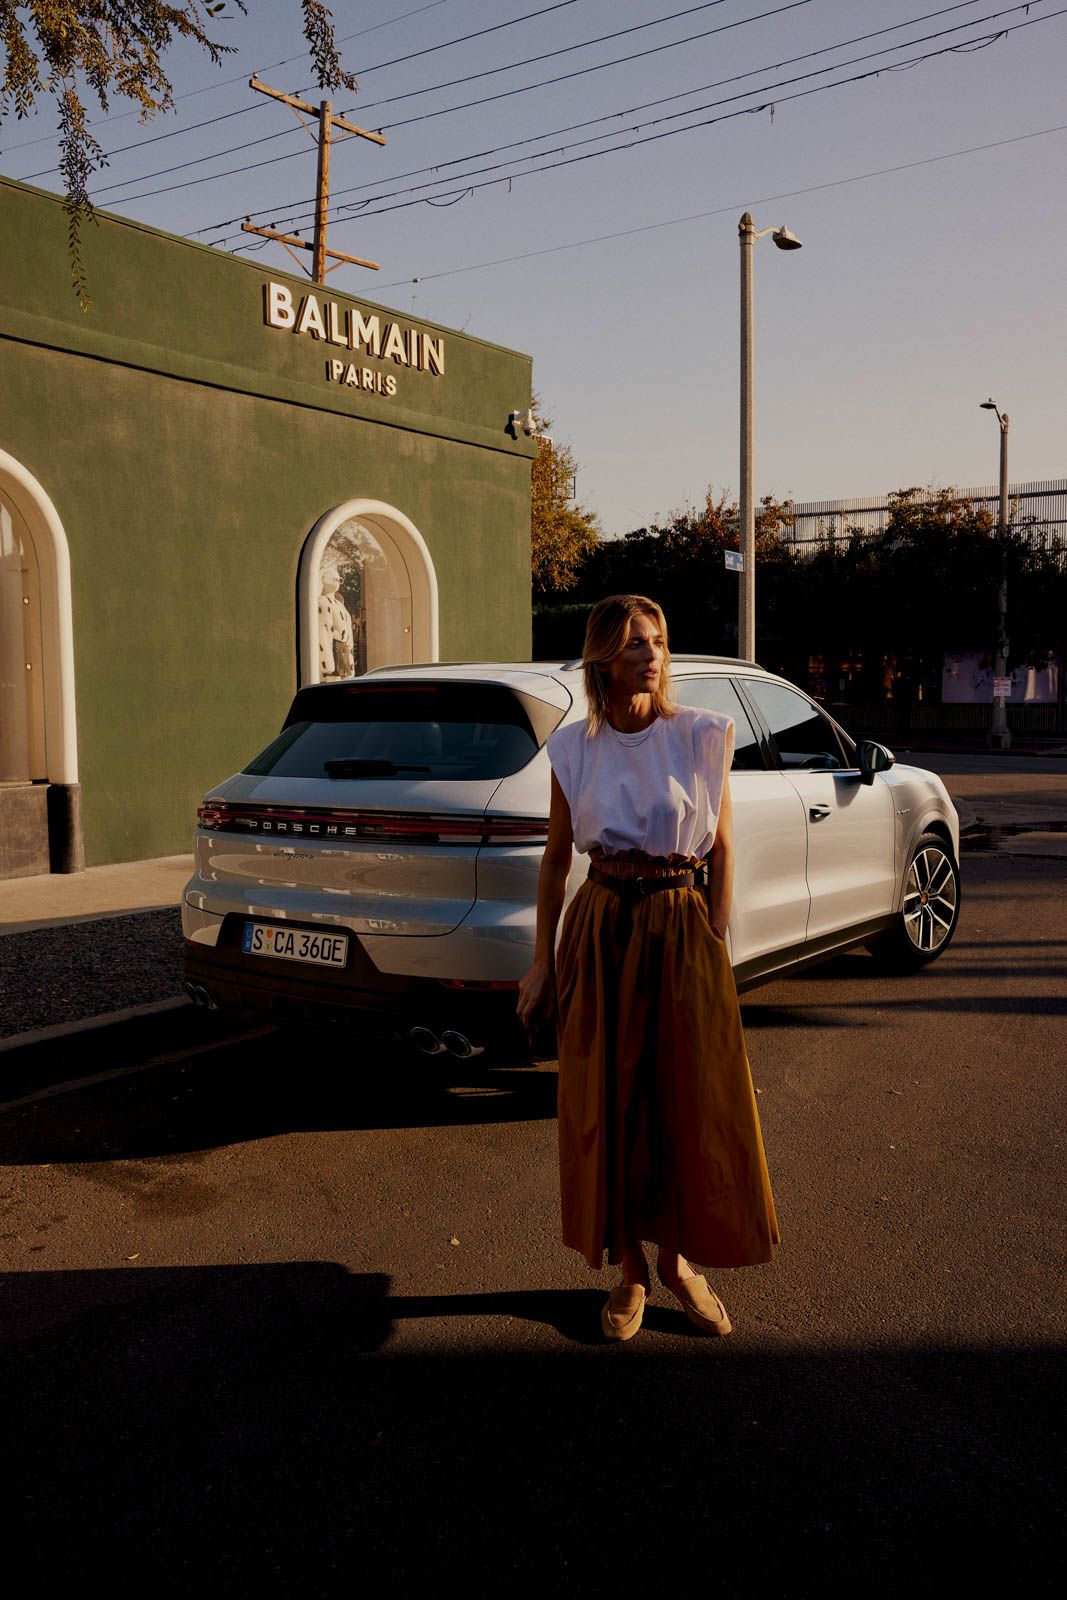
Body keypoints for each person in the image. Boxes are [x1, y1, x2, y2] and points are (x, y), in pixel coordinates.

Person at [517, 594, 779, 1341]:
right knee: (611, 1101)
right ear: (602, 655)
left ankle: (679, 1262)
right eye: (635, 642)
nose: (651, 654)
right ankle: (629, 1268)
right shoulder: (574, 747)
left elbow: (722, 849)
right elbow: (554, 859)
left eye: (658, 640)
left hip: (678, 921)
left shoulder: (699, 735)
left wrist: (713, 944)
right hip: (599, 925)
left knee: (687, 1100)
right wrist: (541, 963)